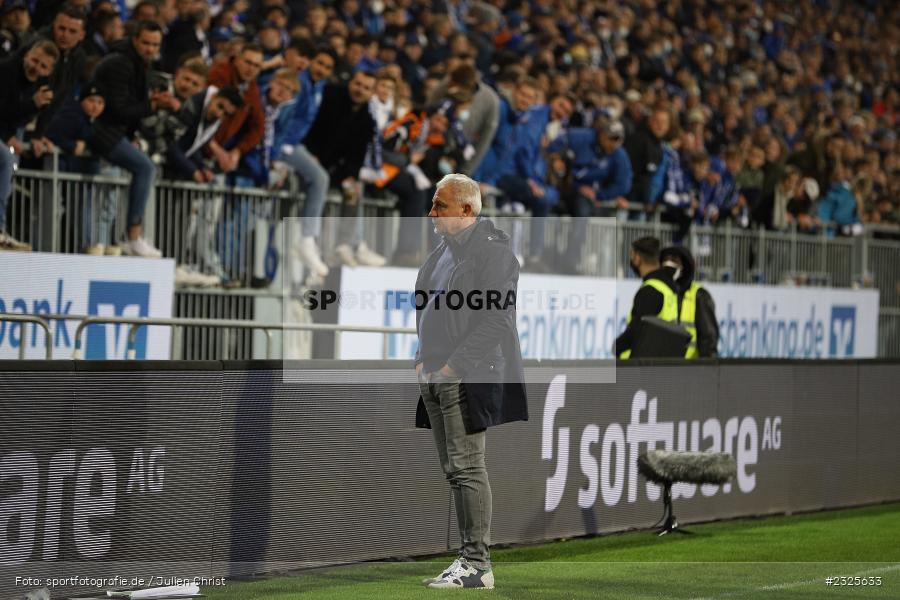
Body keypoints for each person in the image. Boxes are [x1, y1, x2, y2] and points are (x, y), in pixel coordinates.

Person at [414, 173, 526, 590]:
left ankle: (477, 565)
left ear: (466, 209)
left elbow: (498, 319)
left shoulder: (494, 255)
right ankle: (468, 559)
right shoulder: (445, 249)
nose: (431, 213)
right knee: (455, 470)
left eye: (439, 205)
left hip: (466, 375)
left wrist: (452, 367)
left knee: (467, 468)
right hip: (437, 372)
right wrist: (423, 359)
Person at [92, 20, 177, 257]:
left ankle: (123, 239)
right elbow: (118, 109)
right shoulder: (122, 64)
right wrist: (153, 105)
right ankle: (133, 236)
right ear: (135, 40)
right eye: (146, 43)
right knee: (145, 168)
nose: (151, 49)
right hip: (101, 132)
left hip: (114, 133)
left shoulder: (137, 64)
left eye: (155, 45)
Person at [303, 69, 386, 266]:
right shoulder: (332, 97)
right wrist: (314, 155)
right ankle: (311, 241)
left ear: (371, 93)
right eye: (357, 84)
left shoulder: (367, 119)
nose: (360, 90)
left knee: (354, 190)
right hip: (315, 157)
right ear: (350, 83)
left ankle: (344, 244)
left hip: (337, 168)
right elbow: (315, 130)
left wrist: (350, 176)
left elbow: (357, 156)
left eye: (366, 88)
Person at [0, 39, 58, 251]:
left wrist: (39, 135)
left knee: (8, 170)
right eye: (34, 60)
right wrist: (8, 136)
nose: (35, 66)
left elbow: (18, 117)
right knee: (6, 159)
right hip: (4, 136)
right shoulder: (6, 71)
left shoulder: (39, 87)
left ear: (49, 70)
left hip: (7, 135)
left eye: (42, 65)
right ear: (26, 55)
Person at [615, 236, 680, 358]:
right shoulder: (667, 287)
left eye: (632, 256)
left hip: (642, 365)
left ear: (638, 258)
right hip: (659, 362)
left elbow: (638, 330)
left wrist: (617, 346)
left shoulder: (650, 290)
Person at [660, 245, 719, 358]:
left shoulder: (699, 296)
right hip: (665, 368)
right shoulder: (661, 292)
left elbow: (708, 340)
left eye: (674, 260)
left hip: (690, 368)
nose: (668, 264)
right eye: (666, 260)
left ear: (685, 266)